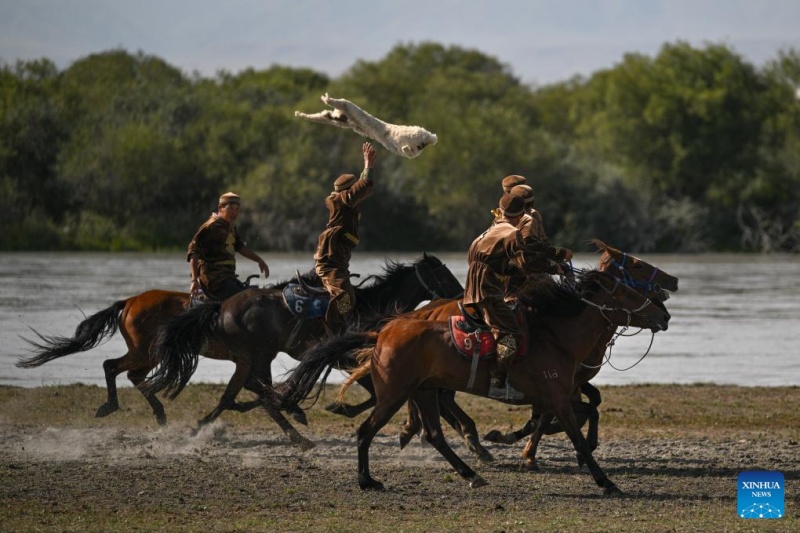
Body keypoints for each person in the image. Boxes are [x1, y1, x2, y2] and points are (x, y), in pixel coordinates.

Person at [464, 194, 567, 401]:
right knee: (511, 333)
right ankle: (497, 384)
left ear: (500, 211)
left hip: (472, 286)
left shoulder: (488, 231)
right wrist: (555, 267)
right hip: (488, 291)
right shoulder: (513, 233)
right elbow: (526, 264)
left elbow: (486, 262)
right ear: (522, 215)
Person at [314, 142, 376, 328]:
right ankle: (332, 328)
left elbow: (360, 191)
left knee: (352, 296)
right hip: (330, 265)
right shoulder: (342, 201)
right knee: (346, 297)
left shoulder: (346, 207)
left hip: (338, 262)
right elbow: (364, 187)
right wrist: (368, 166)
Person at [187, 192, 269, 301]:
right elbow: (194, 253)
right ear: (220, 208)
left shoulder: (231, 227)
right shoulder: (211, 226)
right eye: (231, 209)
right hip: (214, 280)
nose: (234, 213)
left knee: (255, 293)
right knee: (247, 299)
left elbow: (240, 247)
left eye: (237, 209)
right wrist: (194, 281)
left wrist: (259, 260)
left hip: (228, 277)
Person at [505, 183, 573, 299]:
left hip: (504, 277)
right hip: (519, 279)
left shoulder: (502, 219)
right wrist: (559, 257)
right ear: (533, 203)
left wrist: (557, 259)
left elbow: (540, 246)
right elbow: (532, 249)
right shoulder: (528, 219)